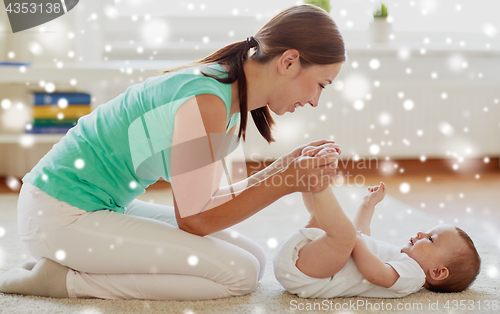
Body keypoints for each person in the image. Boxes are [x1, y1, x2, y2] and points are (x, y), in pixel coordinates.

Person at [0, 4, 345, 300]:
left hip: (96, 205)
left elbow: (207, 201)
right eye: (320, 85)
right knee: (237, 274)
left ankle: (71, 262)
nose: (315, 100)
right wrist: (287, 180)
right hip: (59, 214)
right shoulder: (208, 99)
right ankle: (65, 281)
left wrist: (286, 167)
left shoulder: (226, 92)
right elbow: (195, 219)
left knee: (253, 257)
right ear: (288, 61)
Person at [274, 149, 481, 298]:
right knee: (328, 224)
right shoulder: (402, 260)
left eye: (430, 239)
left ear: (437, 272)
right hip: (309, 259)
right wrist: (367, 206)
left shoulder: (413, 275)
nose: (420, 233)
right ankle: (306, 178)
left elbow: (374, 272)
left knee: (342, 233)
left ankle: (316, 181)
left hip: (312, 275)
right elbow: (362, 238)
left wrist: (352, 237)